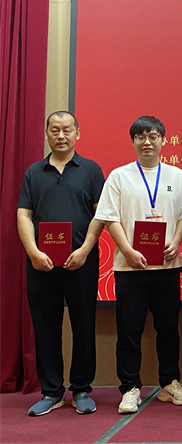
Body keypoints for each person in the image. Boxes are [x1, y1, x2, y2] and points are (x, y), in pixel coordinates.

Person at [94, 116, 182, 414]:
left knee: (169, 329)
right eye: (141, 137)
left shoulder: (177, 176)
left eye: (153, 136)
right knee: (129, 330)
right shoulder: (119, 176)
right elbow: (109, 217)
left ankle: (169, 383)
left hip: (167, 266)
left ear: (163, 140)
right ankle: (130, 388)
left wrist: (176, 241)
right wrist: (127, 250)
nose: (147, 142)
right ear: (133, 141)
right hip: (130, 268)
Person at [17, 111, 105, 416]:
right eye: (54, 130)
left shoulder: (91, 170)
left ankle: (81, 389)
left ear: (77, 133)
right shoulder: (34, 172)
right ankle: (52, 391)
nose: (61, 135)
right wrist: (33, 252)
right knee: (45, 327)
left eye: (67, 129)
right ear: (47, 134)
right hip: (41, 264)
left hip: (81, 262)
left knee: (84, 325)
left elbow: (101, 214)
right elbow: (23, 214)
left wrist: (85, 249)